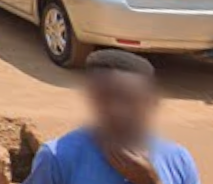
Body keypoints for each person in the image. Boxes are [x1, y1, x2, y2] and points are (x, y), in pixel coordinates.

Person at [23, 50, 199, 184]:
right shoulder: (58, 157)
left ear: (150, 102)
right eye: (105, 98)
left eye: (127, 98)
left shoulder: (178, 159)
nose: (115, 110)